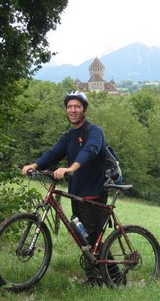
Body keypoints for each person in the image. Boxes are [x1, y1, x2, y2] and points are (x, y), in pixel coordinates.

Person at [21, 91, 108, 287]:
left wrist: (71, 168)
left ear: (84, 109)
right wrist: (34, 165)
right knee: (83, 236)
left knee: (92, 238)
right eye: (70, 107)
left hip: (94, 192)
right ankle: (97, 278)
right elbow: (53, 154)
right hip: (76, 193)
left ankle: (112, 277)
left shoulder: (95, 132)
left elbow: (89, 151)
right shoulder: (69, 136)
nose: (73, 110)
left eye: (77, 106)